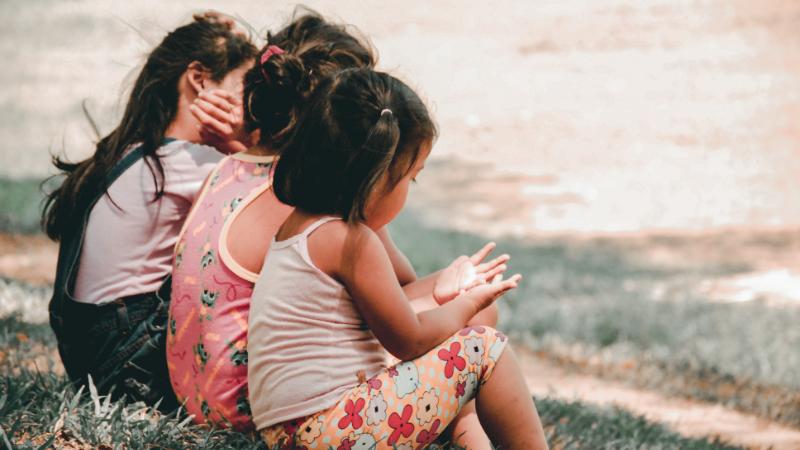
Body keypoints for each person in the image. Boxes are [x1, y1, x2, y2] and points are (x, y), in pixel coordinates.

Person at [248, 68, 549, 449]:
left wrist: (442, 291)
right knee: (483, 349)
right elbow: (410, 339)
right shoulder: (351, 241)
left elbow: (387, 310)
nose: (409, 190)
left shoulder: (303, 228)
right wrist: (468, 302)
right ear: (375, 177)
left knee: (462, 335)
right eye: (411, 178)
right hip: (331, 430)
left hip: (293, 433)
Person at [166, 10, 376, 430]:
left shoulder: (224, 168)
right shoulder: (300, 199)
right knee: (466, 321)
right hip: (256, 408)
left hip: (196, 398)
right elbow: (390, 303)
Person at [42, 12, 258, 410]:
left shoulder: (133, 152)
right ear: (199, 79)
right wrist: (244, 144)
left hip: (94, 361)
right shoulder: (189, 163)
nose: (249, 106)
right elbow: (280, 199)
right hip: (130, 369)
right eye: (244, 87)